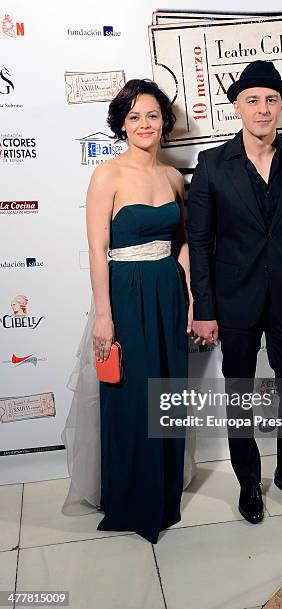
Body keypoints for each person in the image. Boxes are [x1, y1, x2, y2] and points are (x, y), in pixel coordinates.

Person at [188, 61, 282, 523]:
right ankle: (248, 480)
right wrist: (204, 308)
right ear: (237, 107)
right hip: (234, 301)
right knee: (240, 393)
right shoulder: (212, 164)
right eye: (252, 100)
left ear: (281, 106)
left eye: (271, 100)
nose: (263, 109)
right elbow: (201, 243)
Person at [61, 79, 195, 544]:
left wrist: (192, 296)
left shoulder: (175, 178)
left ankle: (162, 494)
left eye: (152, 115)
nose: (144, 124)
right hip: (125, 292)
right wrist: (104, 315)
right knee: (132, 396)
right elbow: (98, 250)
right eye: (134, 116)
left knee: (168, 393)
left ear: (164, 122)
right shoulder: (107, 176)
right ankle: (130, 499)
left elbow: (179, 245)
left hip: (167, 292)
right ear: (122, 123)